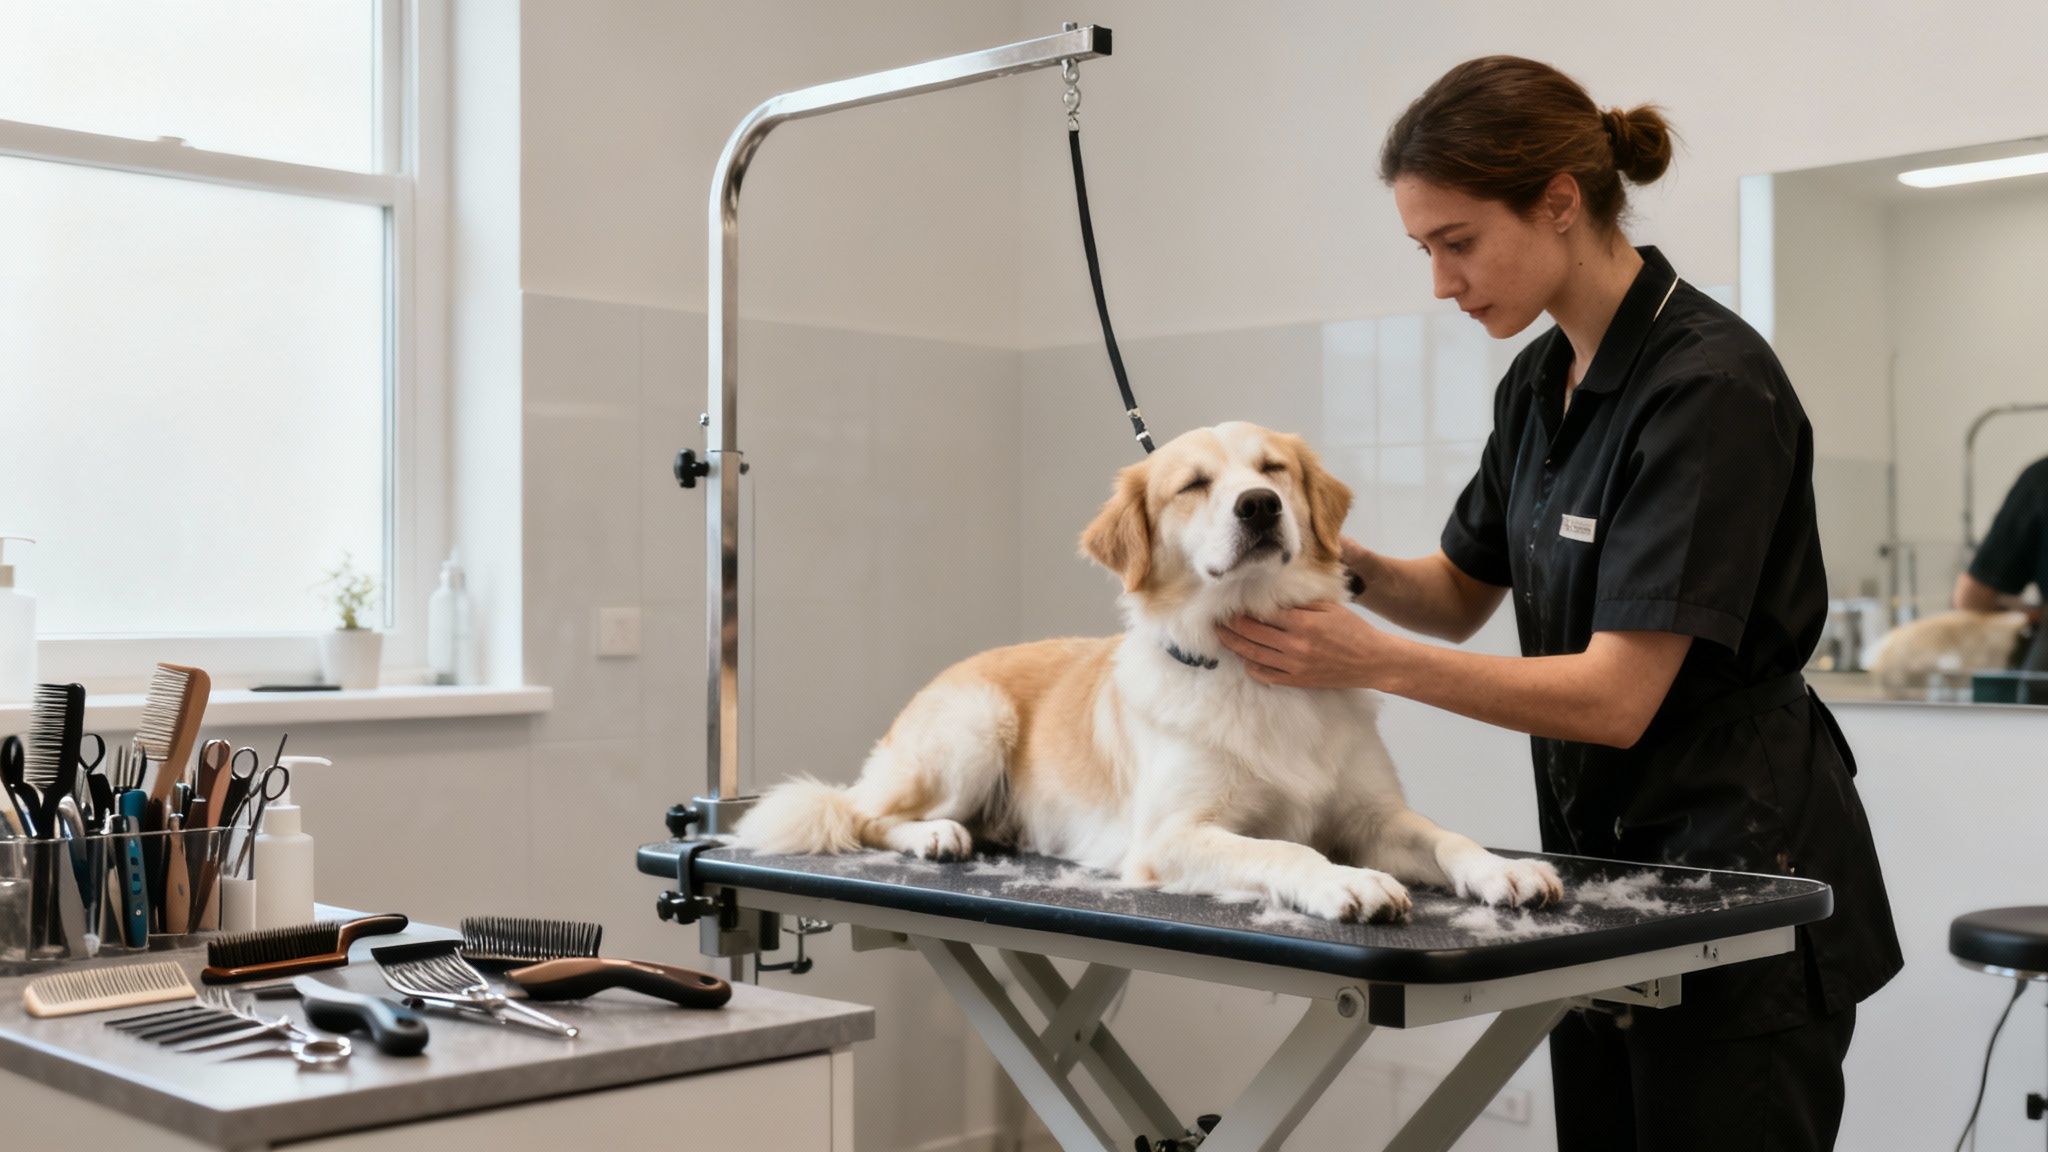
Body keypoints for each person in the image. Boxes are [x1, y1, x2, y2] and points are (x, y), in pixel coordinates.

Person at [1216, 56, 1901, 1151]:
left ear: (1558, 202)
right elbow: (1450, 598)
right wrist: (1308, 545)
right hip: (1597, 879)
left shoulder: (1707, 387)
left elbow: (1615, 697)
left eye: (1456, 242)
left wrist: (1357, 659)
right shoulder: (1538, 383)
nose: (1441, 283)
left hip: (1740, 874)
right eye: (1423, 249)